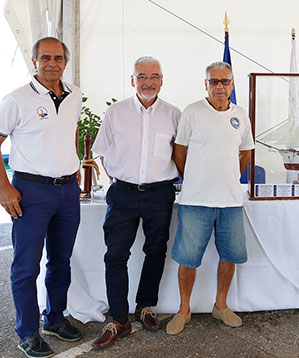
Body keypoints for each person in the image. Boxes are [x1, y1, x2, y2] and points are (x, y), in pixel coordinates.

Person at [0, 37, 83, 358]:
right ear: (34, 60)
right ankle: (27, 332)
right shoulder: (17, 99)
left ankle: (55, 318)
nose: (52, 63)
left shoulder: (75, 95)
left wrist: (74, 168)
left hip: (67, 191)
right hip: (30, 192)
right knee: (26, 267)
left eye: (58, 57)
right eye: (45, 57)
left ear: (65, 61)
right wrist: (3, 187)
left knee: (61, 261)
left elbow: (65, 136)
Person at [89, 56, 182, 349]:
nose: (148, 82)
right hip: (123, 194)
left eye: (154, 76)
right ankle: (119, 319)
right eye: (142, 76)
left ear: (162, 80)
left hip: (160, 194)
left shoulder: (174, 115)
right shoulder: (115, 113)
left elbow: (180, 155)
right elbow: (101, 152)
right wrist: (120, 180)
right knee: (115, 255)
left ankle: (145, 307)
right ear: (133, 80)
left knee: (155, 251)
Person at [166, 61, 254, 335]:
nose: (219, 86)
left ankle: (221, 305)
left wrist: (226, 177)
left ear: (232, 84)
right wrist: (194, 177)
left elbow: (245, 153)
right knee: (188, 258)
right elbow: (179, 152)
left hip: (230, 202)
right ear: (205, 84)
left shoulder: (241, 115)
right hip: (195, 201)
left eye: (224, 81)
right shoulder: (192, 112)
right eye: (213, 81)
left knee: (230, 256)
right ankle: (183, 310)